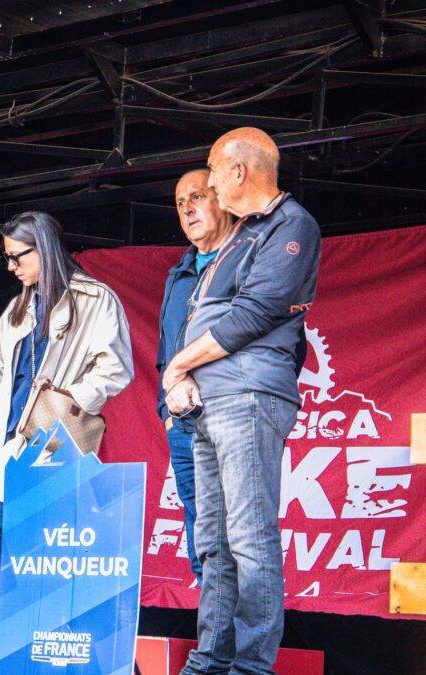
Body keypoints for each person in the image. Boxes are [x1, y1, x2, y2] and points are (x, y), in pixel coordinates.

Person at [166, 128, 319, 675]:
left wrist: (181, 365)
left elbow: (255, 312)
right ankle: (210, 658)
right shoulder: (238, 236)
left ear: (237, 171)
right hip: (207, 402)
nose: (207, 184)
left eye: (211, 171)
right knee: (213, 542)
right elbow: (202, 315)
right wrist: (181, 380)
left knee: (251, 539)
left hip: (250, 397)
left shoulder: (291, 224)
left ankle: (251, 666)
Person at [0, 211, 133, 547]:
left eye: (16, 256)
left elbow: (116, 368)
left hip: (54, 433)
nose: (11, 266)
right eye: (7, 257)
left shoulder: (94, 298)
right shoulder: (17, 308)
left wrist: (70, 402)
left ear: (43, 248)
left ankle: (36, 598)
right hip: (8, 433)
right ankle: (19, 599)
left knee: (45, 531)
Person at [156, 170, 233, 583]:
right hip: (183, 425)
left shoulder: (244, 259)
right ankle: (214, 641)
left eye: (197, 197)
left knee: (235, 536)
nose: (187, 208)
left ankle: (235, 646)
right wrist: (165, 414)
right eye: (179, 202)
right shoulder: (179, 274)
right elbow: (164, 352)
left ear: (222, 199)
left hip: (229, 417)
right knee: (200, 537)